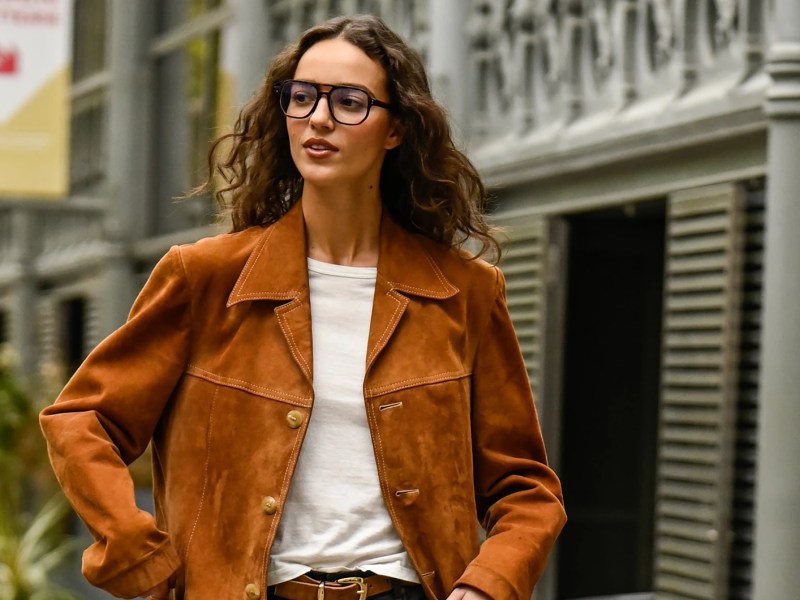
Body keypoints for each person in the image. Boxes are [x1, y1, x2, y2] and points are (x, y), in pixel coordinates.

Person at [40, 14, 565, 600]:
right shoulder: (208, 278)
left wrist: (488, 587)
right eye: (302, 97)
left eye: (349, 102)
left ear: (396, 130)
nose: (318, 118)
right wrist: (139, 560)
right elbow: (82, 421)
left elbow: (525, 488)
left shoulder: (464, 292)